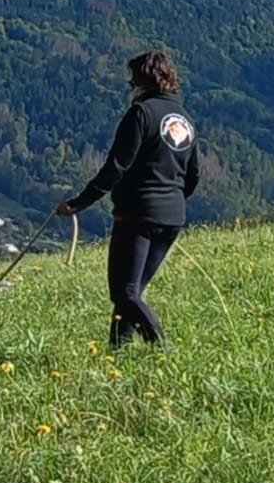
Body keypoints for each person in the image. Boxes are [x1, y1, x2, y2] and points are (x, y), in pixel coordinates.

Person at [55, 51, 200, 348]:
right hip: (172, 217)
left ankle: (161, 348)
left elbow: (116, 167)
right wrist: (171, 201)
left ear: (143, 81)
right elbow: (193, 174)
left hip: (137, 214)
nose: (130, 85)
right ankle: (116, 354)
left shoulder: (141, 114)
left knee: (124, 293)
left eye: (133, 80)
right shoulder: (184, 119)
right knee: (131, 294)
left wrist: (79, 203)